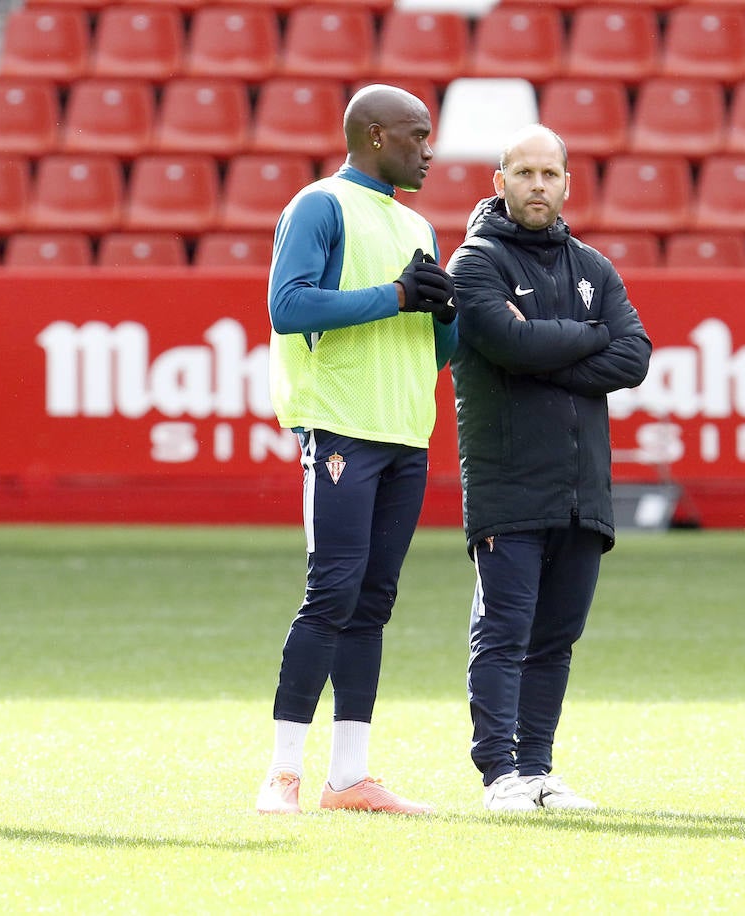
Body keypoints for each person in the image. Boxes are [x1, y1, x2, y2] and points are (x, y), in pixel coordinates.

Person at [256, 84, 458, 816]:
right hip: (342, 426)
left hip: (407, 433)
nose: (428, 149)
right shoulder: (319, 206)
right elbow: (289, 305)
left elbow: (436, 350)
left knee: (372, 601)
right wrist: (397, 297)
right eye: (417, 135)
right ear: (375, 136)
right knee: (332, 590)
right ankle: (282, 772)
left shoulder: (420, 226)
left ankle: (350, 777)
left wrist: (445, 312)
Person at [447, 124, 651, 812]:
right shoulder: (474, 264)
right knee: (504, 633)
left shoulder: (593, 267)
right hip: (508, 481)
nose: (539, 185)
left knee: (557, 638)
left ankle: (537, 769)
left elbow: (635, 357)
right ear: (499, 183)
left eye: (550, 174)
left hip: (581, 488)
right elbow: (505, 343)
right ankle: (498, 775)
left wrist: (546, 347)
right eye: (524, 173)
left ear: (567, 184)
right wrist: (586, 340)